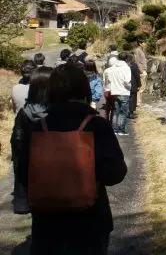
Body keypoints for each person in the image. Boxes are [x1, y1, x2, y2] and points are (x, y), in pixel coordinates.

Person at [13, 63, 127, 254]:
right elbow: (115, 174)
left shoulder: (38, 127)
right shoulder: (97, 125)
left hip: (47, 221)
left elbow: (23, 173)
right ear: (84, 89)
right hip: (90, 220)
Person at [11, 66, 53, 214]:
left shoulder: (25, 112)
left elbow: (17, 143)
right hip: (56, 171)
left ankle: (22, 203)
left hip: (32, 165)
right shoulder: (58, 111)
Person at [103, 53, 131, 135]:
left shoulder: (112, 68)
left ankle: (115, 130)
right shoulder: (126, 68)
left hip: (114, 91)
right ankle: (121, 130)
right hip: (124, 91)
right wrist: (129, 87)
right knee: (123, 112)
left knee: (115, 111)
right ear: (126, 59)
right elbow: (127, 81)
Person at [126, 53, 141, 119]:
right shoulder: (134, 65)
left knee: (126, 99)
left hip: (125, 84)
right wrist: (139, 84)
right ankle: (131, 113)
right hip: (133, 83)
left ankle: (127, 112)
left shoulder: (125, 65)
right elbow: (137, 76)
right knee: (132, 99)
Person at [134, 38, 147, 107]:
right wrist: (141, 71)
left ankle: (139, 102)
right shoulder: (137, 50)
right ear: (140, 43)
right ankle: (138, 102)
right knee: (140, 87)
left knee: (142, 87)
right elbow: (137, 62)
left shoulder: (142, 50)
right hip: (141, 71)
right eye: (144, 42)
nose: (145, 44)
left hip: (144, 70)